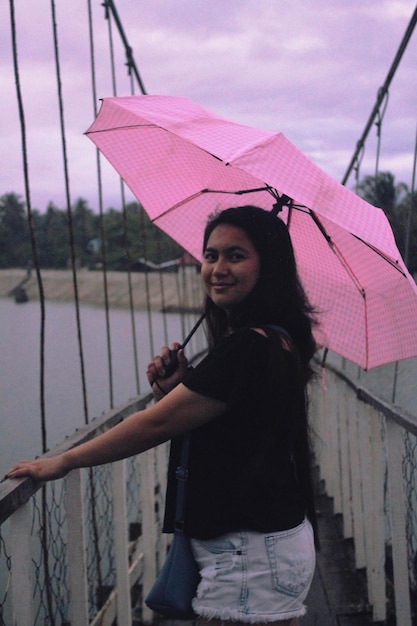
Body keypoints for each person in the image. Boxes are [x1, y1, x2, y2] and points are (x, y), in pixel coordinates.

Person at [7, 206, 318, 626]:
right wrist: (180, 389)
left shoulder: (247, 346)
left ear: (270, 265)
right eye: (210, 256)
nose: (217, 269)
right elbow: (238, 424)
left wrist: (64, 460)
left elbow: (154, 424)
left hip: (250, 559)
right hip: (270, 546)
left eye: (236, 256)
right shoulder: (278, 341)